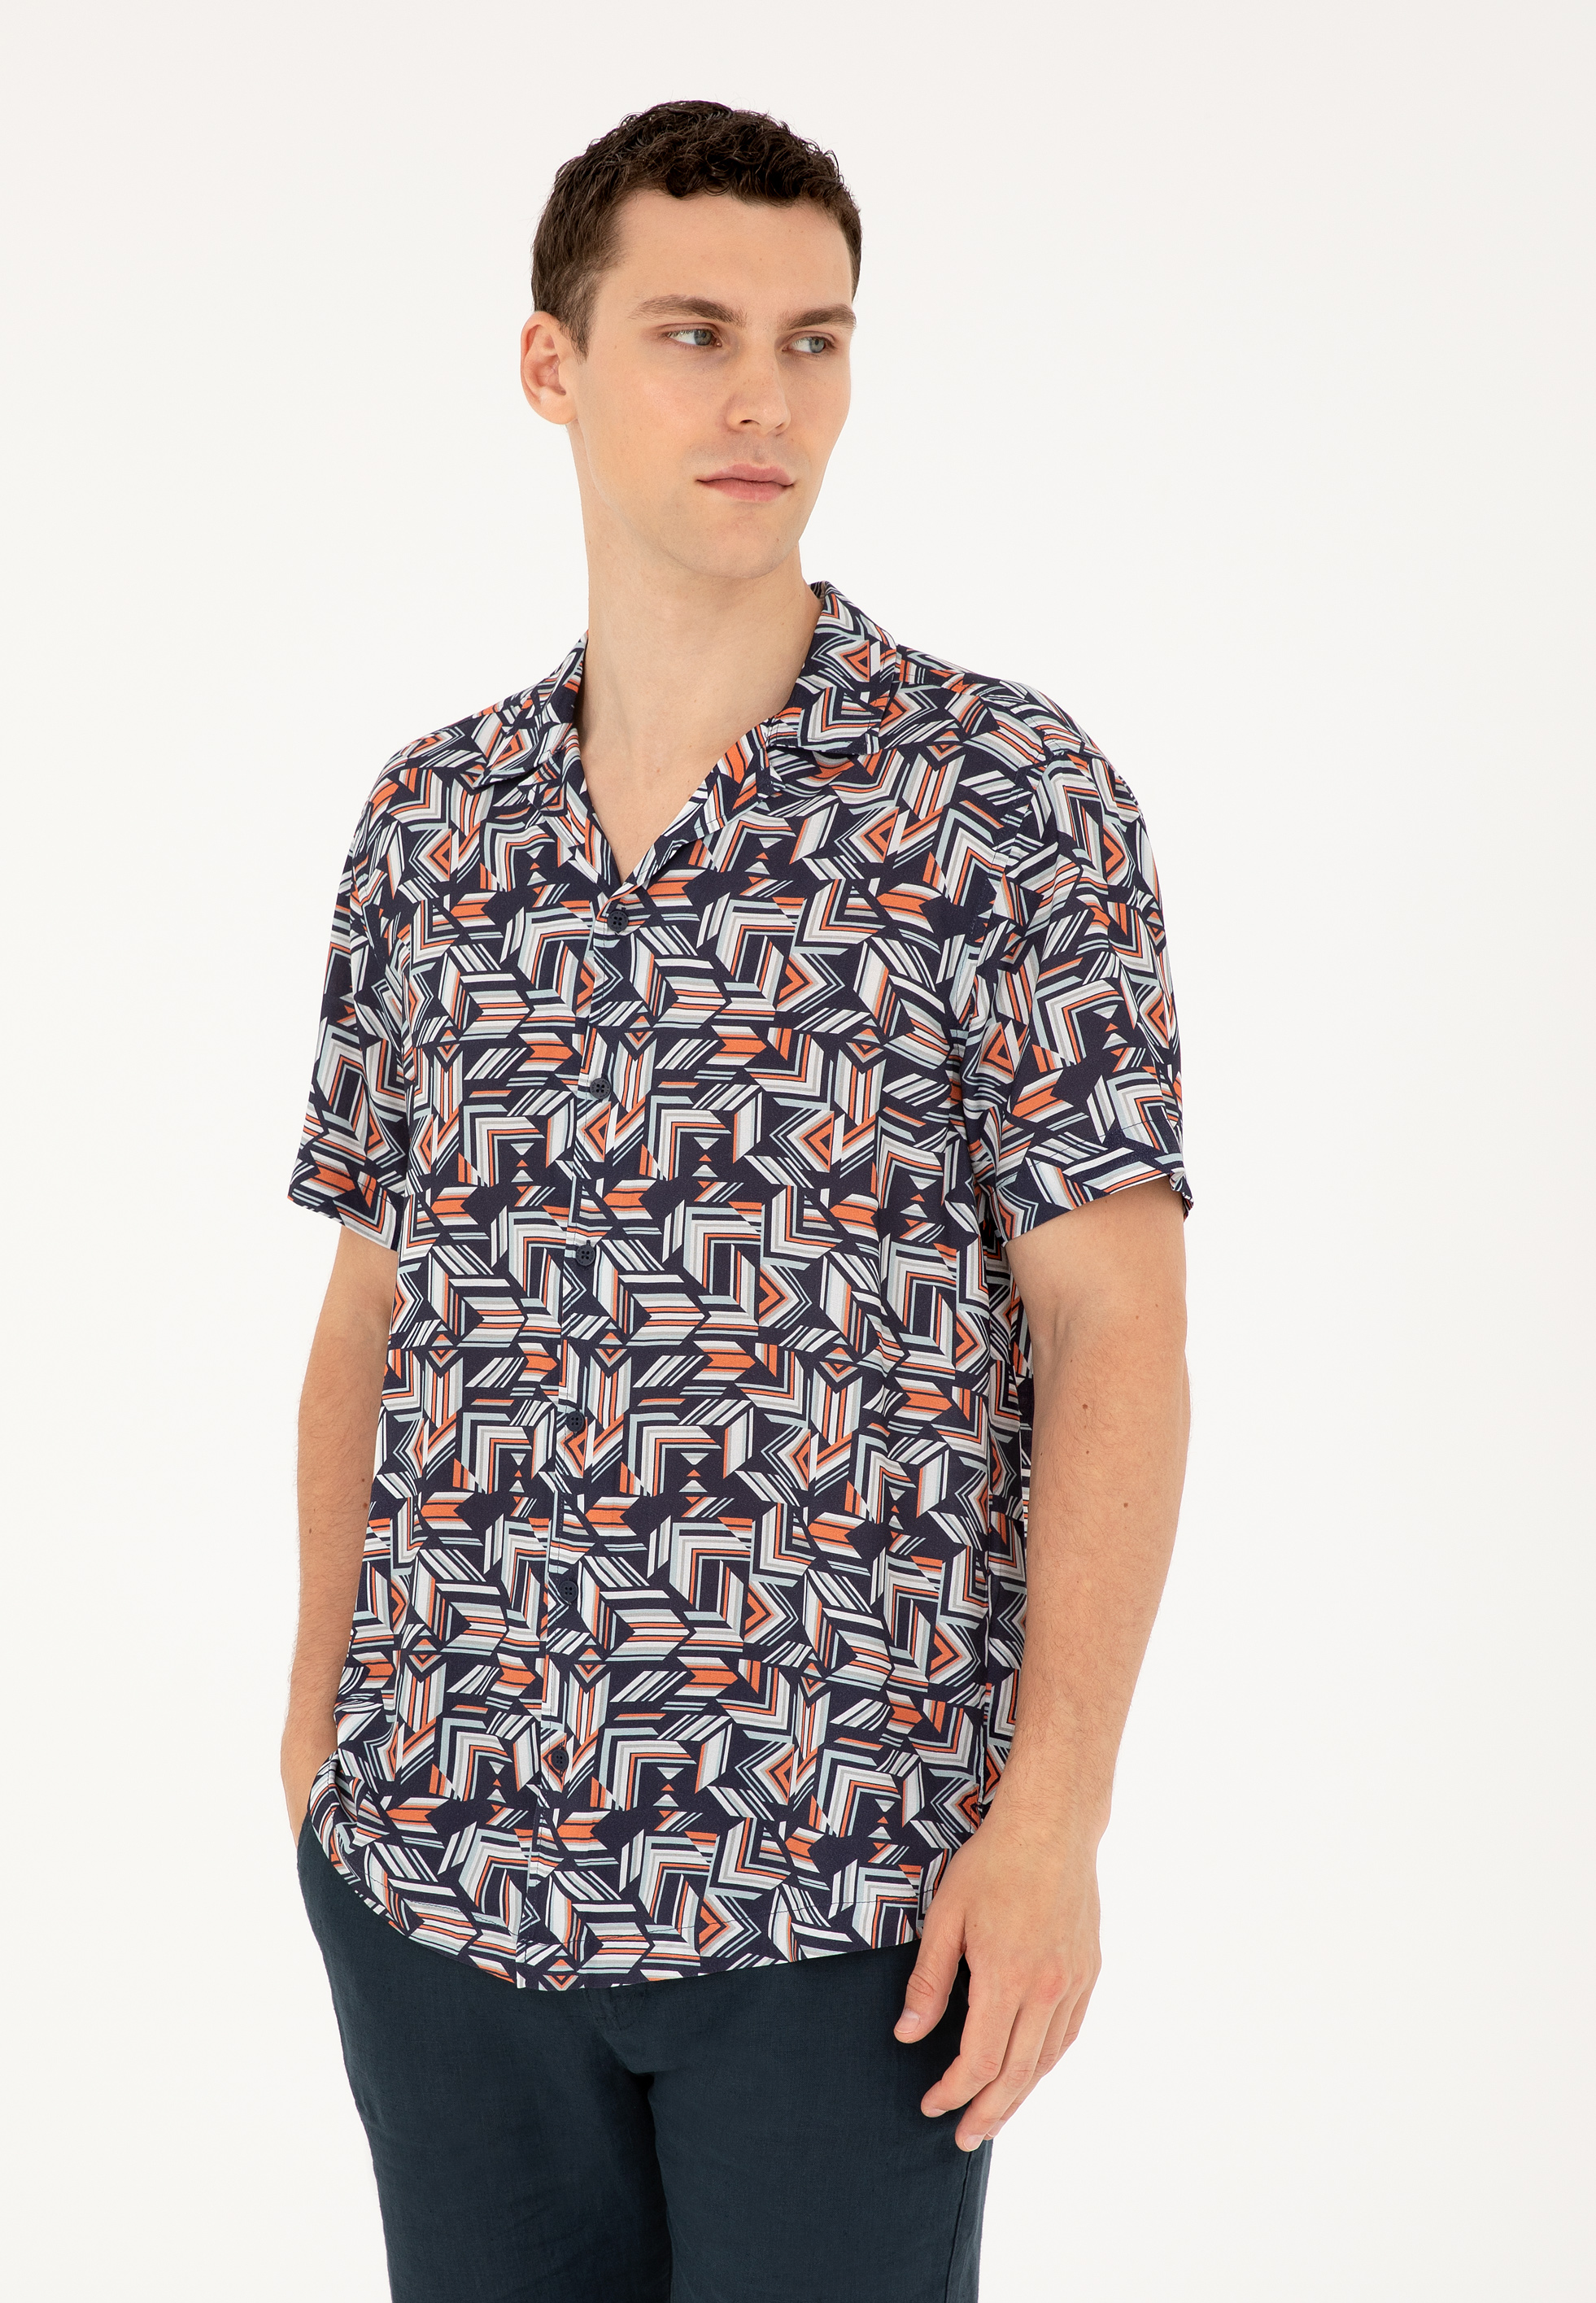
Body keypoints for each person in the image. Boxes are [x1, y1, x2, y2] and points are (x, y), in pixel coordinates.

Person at [281, 97, 1192, 2303]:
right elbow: (374, 1301)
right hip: (440, 1873)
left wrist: (1053, 1818)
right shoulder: (432, 826)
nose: (763, 397)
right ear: (553, 364)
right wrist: (319, 1740)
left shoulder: (1003, 801)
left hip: (850, 1894)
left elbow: (1116, 1324)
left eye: (813, 339)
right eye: (693, 333)